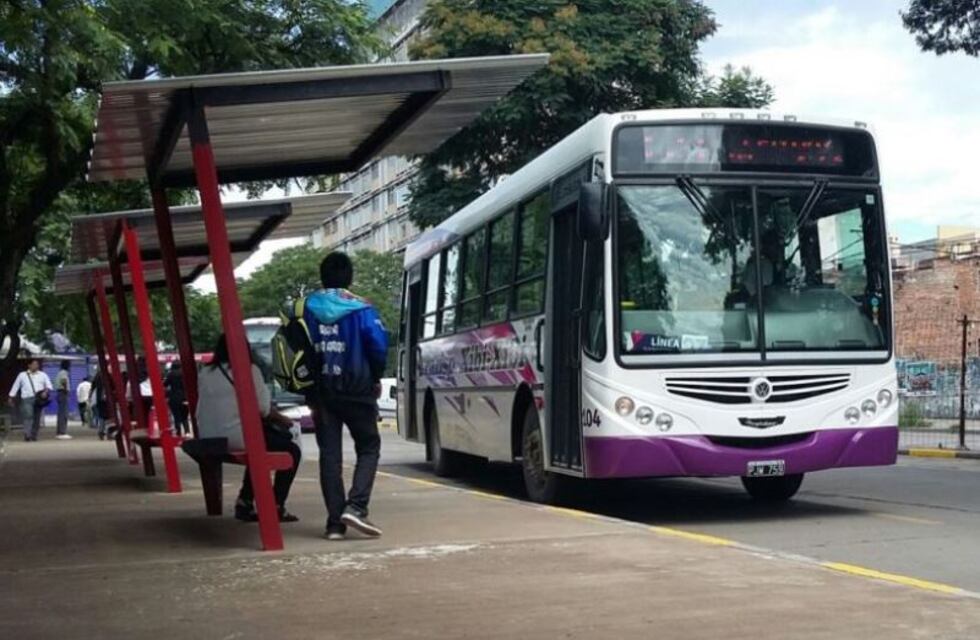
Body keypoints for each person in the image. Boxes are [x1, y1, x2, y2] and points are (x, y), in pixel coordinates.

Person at [304, 252, 388, 540]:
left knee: (330, 456)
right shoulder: (362, 309)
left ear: (323, 276)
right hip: (358, 390)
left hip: (322, 393)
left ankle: (334, 524)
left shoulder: (307, 310)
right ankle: (356, 506)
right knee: (369, 446)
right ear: (349, 277)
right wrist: (375, 377)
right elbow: (377, 347)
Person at [196, 334, 301, 523]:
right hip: (237, 437)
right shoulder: (249, 370)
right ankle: (276, 505)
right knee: (291, 450)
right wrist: (284, 421)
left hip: (208, 437)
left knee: (260, 446)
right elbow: (263, 409)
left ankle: (245, 501)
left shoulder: (205, 372)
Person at [7, 358, 53, 441]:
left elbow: (49, 385)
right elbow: (16, 386)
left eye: (37, 364)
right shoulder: (22, 375)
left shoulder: (43, 375)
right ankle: (27, 434)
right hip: (26, 399)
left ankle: (34, 435)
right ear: (29, 365)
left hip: (39, 399)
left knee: (37, 417)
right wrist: (11, 397)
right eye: (34, 364)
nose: (36, 366)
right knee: (28, 416)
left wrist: (45, 392)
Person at [164, 362, 190, 436]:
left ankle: (178, 432)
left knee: (176, 416)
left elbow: (165, 384)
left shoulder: (170, 374)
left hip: (174, 397)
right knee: (185, 415)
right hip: (184, 397)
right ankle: (187, 431)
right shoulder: (184, 373)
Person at [54, 359, 72, 439]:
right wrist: (66, 391)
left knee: (61, 412)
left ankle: (59, 431)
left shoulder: (59, 372)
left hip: (59, 392)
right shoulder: (64, 373)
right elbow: (64, 381)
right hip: (63, 393)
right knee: (64, 413)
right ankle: (62, 431)